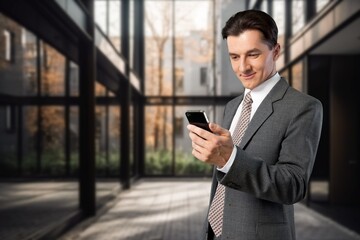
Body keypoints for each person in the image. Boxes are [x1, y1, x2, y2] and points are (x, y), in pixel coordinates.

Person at [187, 10, 323, 240]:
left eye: (253, 55)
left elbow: (293, 185)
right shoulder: (232, 106)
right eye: (234, 57)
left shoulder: (303, 107)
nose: (243, 67)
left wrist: (230, 159)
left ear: (275, 51)